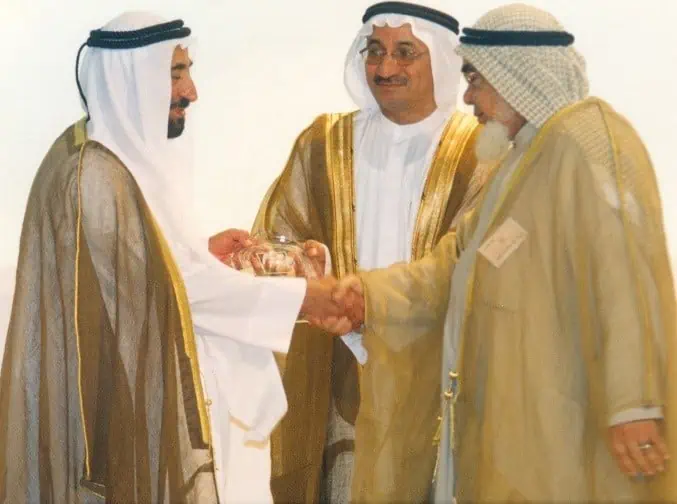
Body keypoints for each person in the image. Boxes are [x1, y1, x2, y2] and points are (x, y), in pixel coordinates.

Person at [0, 12, 350, 504]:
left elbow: (150, 267)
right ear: (132, 79)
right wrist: (301, 297)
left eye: (186, 72)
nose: (190, 91)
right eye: (175, 73)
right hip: (130, 409)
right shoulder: (94, 175)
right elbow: (171, 291)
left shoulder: (117, 160)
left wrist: (203, 252)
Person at [336, 3, 677, 502]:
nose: (468, 95)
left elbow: (625, 274)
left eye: (476, 79)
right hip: (519, 429)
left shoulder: (590, 141)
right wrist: (358, 295)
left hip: (570, 426)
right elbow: (451, 265)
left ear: (517, 75)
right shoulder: (521, 162)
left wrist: (635, 406)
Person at [250, 1, 487, 502]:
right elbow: (280, 233)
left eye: (406, 53)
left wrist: (377, 305)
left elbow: (475, 263)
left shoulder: (482, 151)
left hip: (438, 378)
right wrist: (309, 268)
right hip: (335, 376)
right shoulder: (324, 142)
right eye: (375, 52)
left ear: (440, 62)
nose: (385, 69)